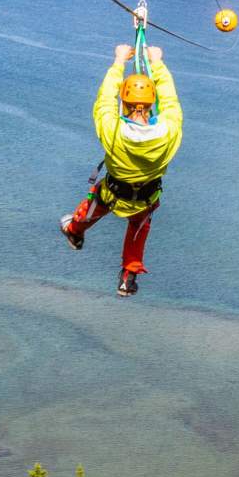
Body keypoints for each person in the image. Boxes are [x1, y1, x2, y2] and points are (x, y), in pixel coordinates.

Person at [60, 41, 184, 296]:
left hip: (113, 193)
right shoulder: (169, 131)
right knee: (139, 227)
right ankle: (129, 275)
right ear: (151, 105)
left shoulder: (113, 129)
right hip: (145, 199)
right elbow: (170, 101)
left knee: (93, 204)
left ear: (124, 104)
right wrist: (157, 63)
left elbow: (105, 99)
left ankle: (74, 232)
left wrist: (119, 62)